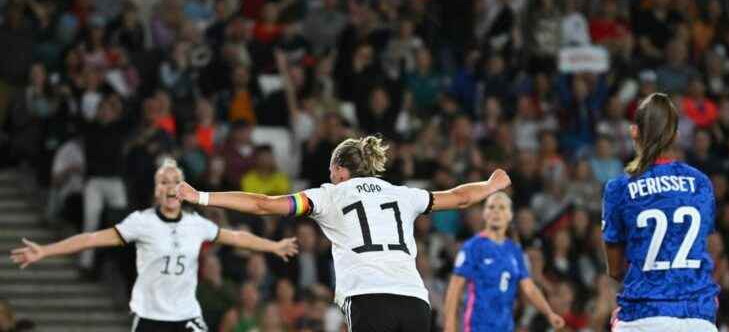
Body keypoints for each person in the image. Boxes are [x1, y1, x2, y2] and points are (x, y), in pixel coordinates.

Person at [176, 135, 512, 332]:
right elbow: (460, 197)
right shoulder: (402, 193)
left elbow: (265, 205)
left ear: (339, 170)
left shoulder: (329, 195)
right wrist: (491, 184)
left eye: (331, 170)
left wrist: (202, 196)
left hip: (368, 298)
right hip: (414, 301)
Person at [11, 159, 298, 332]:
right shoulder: (141, 222)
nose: (171, 186)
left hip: (186, 316)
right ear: (156, 190)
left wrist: (272, 246)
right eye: (164, 182)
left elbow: (236, 237)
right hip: (150, 318)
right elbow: (91, 239)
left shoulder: (195, 223)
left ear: (184, 189)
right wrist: (45, 250)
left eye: (176, 181)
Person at [602, 93, 719, 331]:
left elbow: (615, 270)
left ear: (634, 131)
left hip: (645, 316)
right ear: (675, 135)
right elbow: (703, 248)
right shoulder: (701, 183)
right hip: (698, 317)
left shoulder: (619, 188)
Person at [443, 192, 565, 332]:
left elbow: (529, 288)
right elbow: (454, 288)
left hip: (505, 326)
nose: (496, 211)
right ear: (485, 214)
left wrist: (549, 313)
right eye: (491, 207)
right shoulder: (473, 247)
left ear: (509, 215)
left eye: (501, 207)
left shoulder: (514, 250)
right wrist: (449, 326)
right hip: (478, 325)